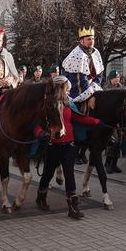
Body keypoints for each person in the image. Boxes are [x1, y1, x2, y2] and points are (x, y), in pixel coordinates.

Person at [34, 75, 106, 220]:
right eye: (67, 89)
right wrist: (40, 133)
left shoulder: (69, 103)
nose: (69, 92)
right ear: (60, 89)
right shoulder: (48, 104)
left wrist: (96, 122)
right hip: (53, 144)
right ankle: (41, 196)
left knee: (69, 173)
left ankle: (73, 206)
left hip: (68, 144)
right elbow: (37, 124)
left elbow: (78, 118)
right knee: (48, 173)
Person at [62, 26, 104, 164]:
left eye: (92, 38)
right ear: (81, 40)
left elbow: (99, 74)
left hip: (92, 88)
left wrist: (95, 88)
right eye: (88, 39)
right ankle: (76, 145)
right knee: (80, 112)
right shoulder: (77, 55)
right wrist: (91, 95)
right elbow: (79, 81)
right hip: (75, 91)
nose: (91, 41)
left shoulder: (95, 52)